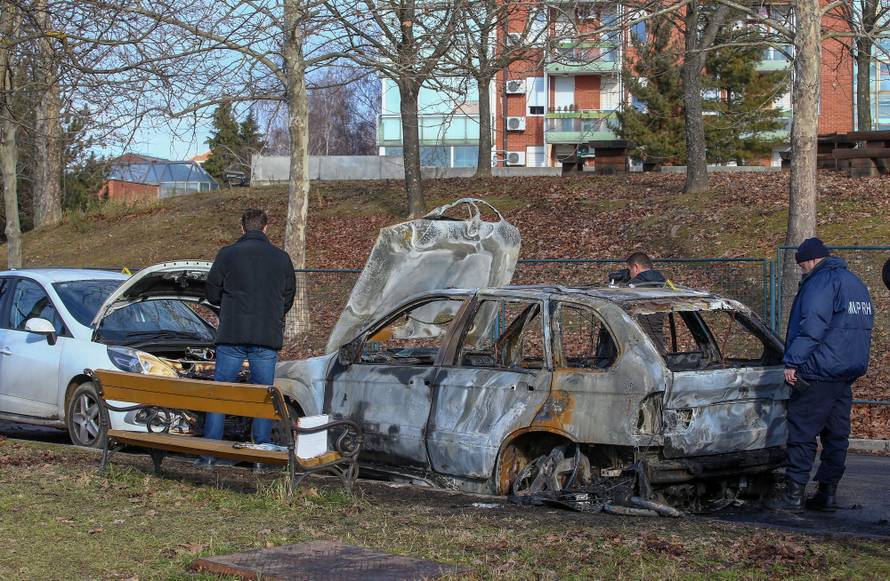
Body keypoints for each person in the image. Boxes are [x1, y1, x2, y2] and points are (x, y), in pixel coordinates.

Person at [772, 238, 874, 512]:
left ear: (812, 260)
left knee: (802, 431)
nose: (802, 271)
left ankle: (793, 495)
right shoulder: (856, 284)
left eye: (802, 265)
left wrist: (793, 362)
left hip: (819, 370)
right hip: (846, 371)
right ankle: (827, 493)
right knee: (836, 434)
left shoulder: (820, 283)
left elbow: (812, 328)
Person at [198, 208, 296, 470]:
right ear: (266, 228)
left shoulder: (227, 254)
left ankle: (209, 452)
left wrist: (229, 307)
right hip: (266, 336)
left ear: (242, 228)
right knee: (263, 396)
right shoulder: (282, 258)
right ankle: (260, 454)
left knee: (220, 392)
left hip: (232, 334)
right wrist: (270, 314)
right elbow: (288, 296)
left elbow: (212, 293)